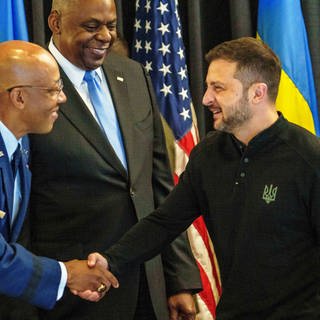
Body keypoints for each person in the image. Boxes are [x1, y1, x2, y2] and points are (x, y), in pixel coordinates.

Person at [103, 37, 320, 319]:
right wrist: (110, 261)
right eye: (208, 86)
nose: (206, 98)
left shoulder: (308, 159)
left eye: (218, 88)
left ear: (257, 93)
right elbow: (164, 223)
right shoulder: (208, 154)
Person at [25, 0, 201, 319]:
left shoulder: (131, 74)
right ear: (55, 22)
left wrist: (179, 280)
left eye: (111, 25)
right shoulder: (27, 85)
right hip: (73, 295)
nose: (105, 36)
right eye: (91, 27)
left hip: (149, 286)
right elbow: (19, 210)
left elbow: (158, 186)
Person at [0, 40, 118, 312]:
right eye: (54, 89)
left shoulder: (22, 144)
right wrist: (66, 274)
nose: (63, 98)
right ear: (19, 97)